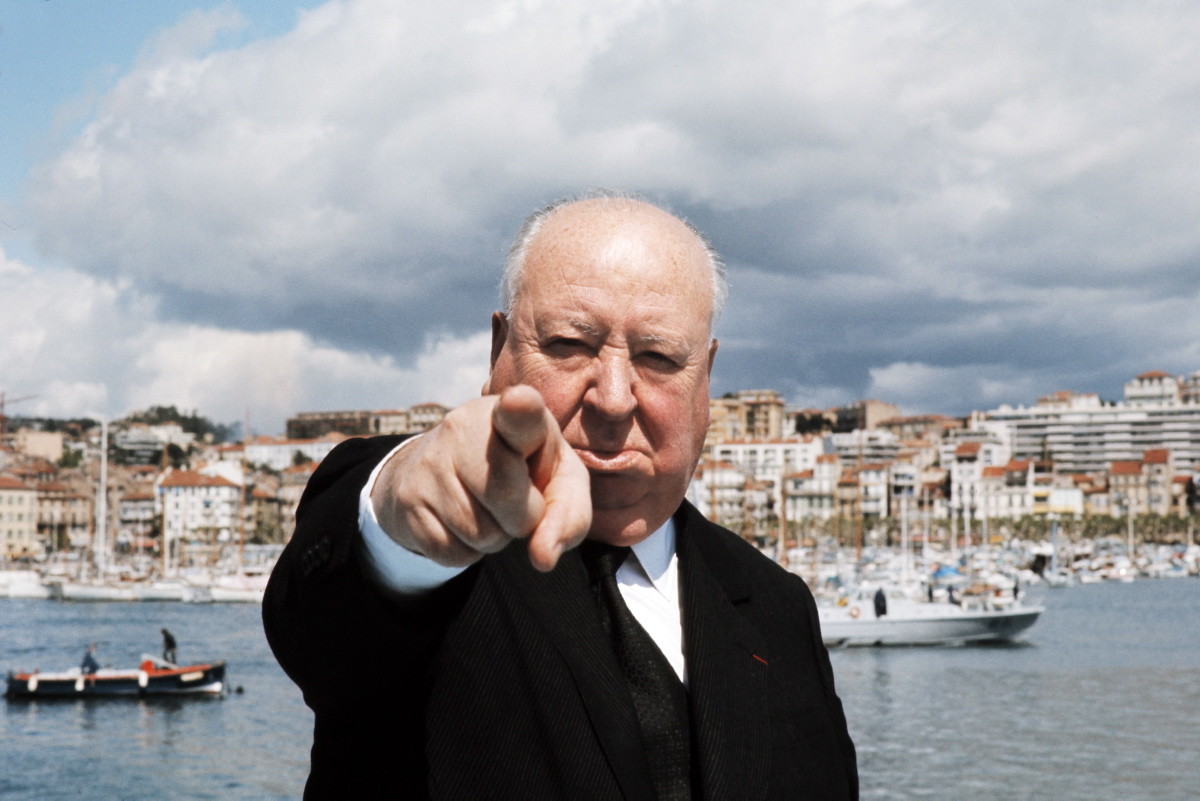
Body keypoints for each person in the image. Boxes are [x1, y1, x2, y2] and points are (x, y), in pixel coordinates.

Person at [264, 192, 858, 800]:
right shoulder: (441, 554)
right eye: (570, 345)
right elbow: (326, 620)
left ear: (705, 379)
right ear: (499, 353)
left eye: (657, 357)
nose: (614, 397)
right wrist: (408, 509)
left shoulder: (779, 607)